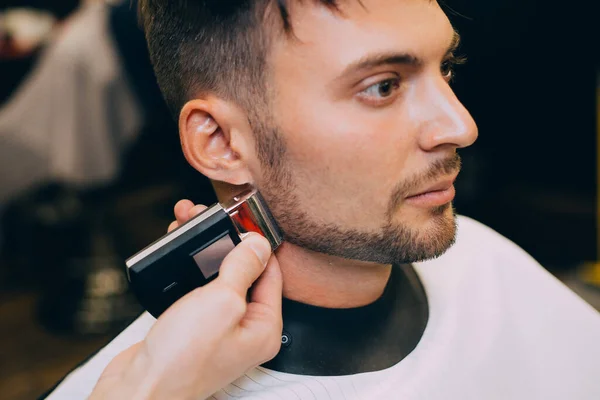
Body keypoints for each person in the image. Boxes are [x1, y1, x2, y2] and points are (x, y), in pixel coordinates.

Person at [43, 0, 600, 399]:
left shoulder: (479, 255)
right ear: (220, 143)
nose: (461, 124)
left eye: (446, 68)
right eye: (383, 85)